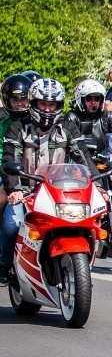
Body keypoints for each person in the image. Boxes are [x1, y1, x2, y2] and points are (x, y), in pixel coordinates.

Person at [0, 78, 99, 286]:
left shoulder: (69, 128)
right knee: (12, 225)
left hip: (58, 191)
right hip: (27, 192)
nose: (47, 109)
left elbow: (84, 158)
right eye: (43, 104)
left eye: (52, 105)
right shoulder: (18, 127)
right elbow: (9, 159)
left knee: (87, 222)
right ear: (34, 104)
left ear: (59, 106)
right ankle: (4, 266)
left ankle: (79, 269)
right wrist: (15, 189)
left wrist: (98, 186)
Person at [64, 79, 112, 157]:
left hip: (104, 160)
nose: (93, 102)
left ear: (101, 100)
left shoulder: (106, 116)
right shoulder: (72, 117)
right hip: (79, 161)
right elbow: (67, 141)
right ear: (81, 100)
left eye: (97, 99)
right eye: (89, 99)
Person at [0, 74, 33, 243]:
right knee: (9, 221)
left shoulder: (38, 122)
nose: (20, 104)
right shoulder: (2, 122)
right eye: (15, 100)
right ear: (7, 100)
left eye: (23, 99)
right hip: (5, 172)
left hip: (32, 174)